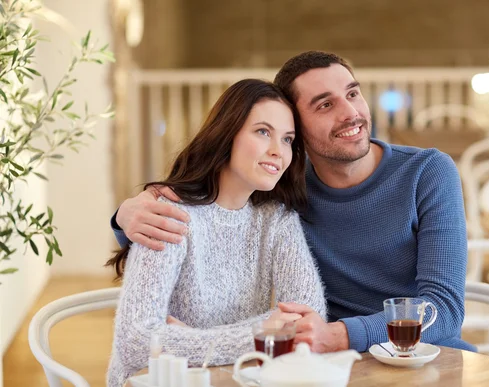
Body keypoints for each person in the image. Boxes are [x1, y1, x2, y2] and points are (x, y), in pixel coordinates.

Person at [111, 51, 475, 354]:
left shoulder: (428, 172)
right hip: (328, 364)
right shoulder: (282, 188)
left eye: (352, 94)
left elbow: (442, 309)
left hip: (421, 357)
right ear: (297, 131)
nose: (350, 113)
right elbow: (209, 217)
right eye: (325, 105)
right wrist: (125, 217)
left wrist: (338, 334)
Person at [106, 79, 327, 387]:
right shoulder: (168, 212)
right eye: (263, 132)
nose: (278, 151)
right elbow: (137, 342)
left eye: (288, 139)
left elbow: (307, 319)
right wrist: (260, 330)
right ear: (227, 134)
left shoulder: (276, 219)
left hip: (236, 379)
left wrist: (189, 340)